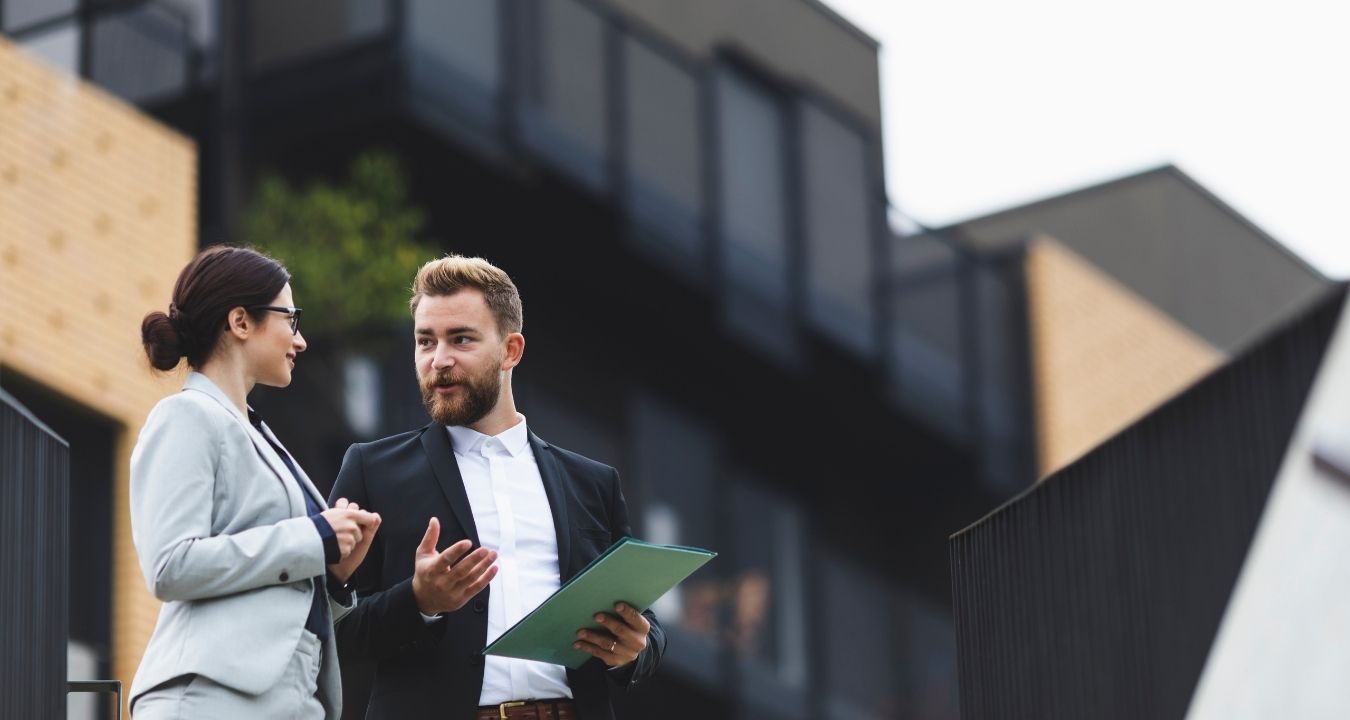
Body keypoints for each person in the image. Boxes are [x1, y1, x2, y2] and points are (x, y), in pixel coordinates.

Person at [331, 255, 665, 719]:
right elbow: (329, 628)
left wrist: (635, 647)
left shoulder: (592, 483)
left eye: (461, 339)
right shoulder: (372, 469)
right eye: (425, 341)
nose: (439, 360)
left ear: (511, 350)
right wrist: (419, 601)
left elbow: (642, 623)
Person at [128, 245, 381, 719]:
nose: (300, 340)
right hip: (210, 700)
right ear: (241, 322)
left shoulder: (257, 434)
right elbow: (169, 564)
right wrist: (313, 537)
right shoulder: (185, 416)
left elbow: (272, 587)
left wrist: (331, 573)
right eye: (291, 318)